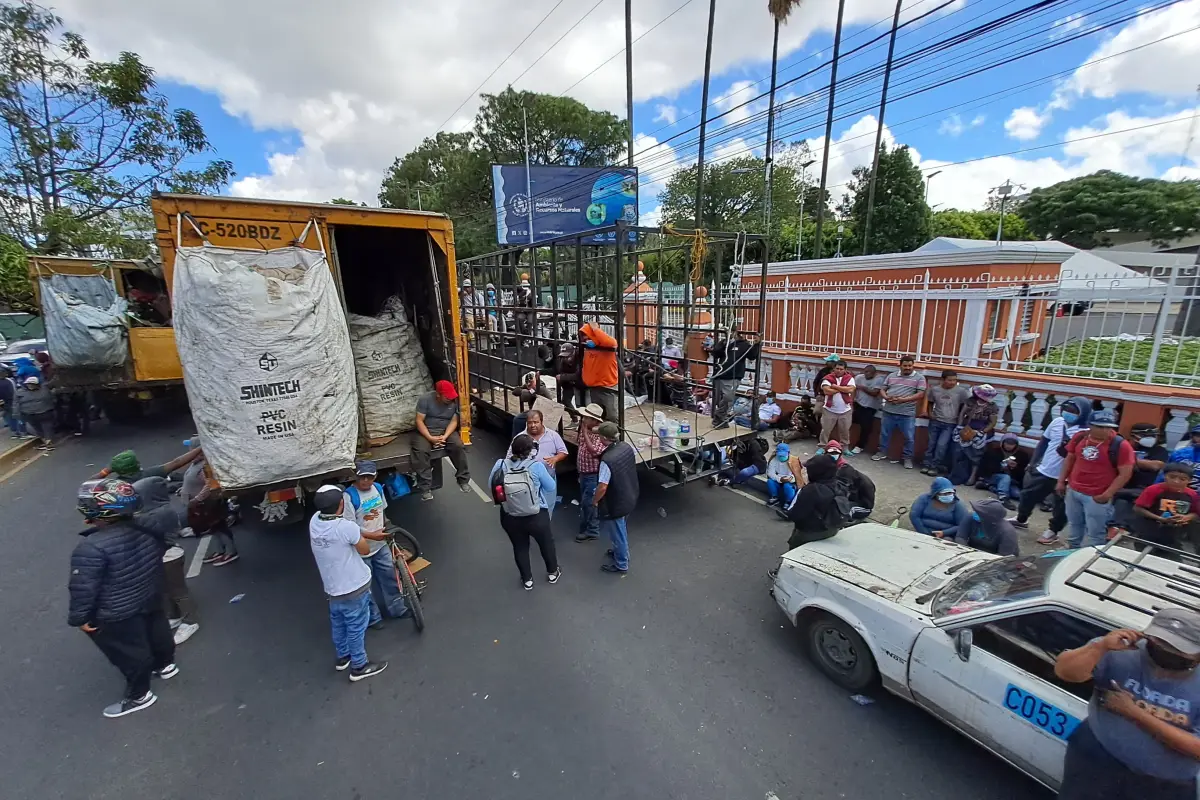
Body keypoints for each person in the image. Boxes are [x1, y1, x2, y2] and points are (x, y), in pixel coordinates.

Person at [1054, 608, 1200, 800]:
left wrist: (1133, 713)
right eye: (1159, 643)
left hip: (1163, 785)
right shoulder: (1120, 648)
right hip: (1096, 759)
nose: (1166, 652)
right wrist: (1100, 648)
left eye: (1177, 649)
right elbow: (1064, 671)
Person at [68, 478, 177, 718]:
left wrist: (80, 619)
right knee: (158, 631)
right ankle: (166, 665)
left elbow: (83, 589)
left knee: (129, 652)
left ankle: (139, 695)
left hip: (117, 610)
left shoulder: (91, 548)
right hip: (150, 593)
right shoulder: (149, 524)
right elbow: (165, 544)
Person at [308, 485, 388, 682]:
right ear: (341, 504)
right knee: (356, 626)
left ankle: (342, 657)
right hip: (354, 586)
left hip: (333, 588)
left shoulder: (314, 522)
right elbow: (363, 549)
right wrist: (363, 537)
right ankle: (359, 666)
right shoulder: (345, 527)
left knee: (339, 623)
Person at [1011, 395, 1091, 544]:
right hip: (1045, 469)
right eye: (1066, 409)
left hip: (1067, 476)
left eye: (1073, 411)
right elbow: (1044, 442)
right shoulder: (1057, 422)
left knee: (1061, 507)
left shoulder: (1087, 433)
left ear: (1083, 413)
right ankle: (1021, 518)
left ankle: (1053, 531)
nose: (1068, 412)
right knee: (1027, 495)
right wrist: (1033, 462)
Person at [133, 476, 200, 646]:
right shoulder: (156, 510)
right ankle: (175, 615)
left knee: (178, 591)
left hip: (169, 556)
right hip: (160, 556)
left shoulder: (159, 514)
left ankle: (190, 622)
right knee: (165, 590)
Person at [342, 461, 409, 627]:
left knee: (390, 578)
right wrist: (372, 535)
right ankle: (373, 618)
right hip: (362, 550)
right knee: (365, 587)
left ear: (375, 477)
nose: (365, 481)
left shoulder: (378, 488)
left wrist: (386, 529)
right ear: (355, 477)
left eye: (369, 477)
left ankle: (398, 609)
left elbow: (382, 512)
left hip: (380, 545)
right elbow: (350, 527)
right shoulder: (349, 496)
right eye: (362, 477)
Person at [490, 433, 560, 590]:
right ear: (531, 451)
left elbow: (492, 485)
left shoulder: (501, 464)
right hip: (536, 515)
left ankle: (527, 580)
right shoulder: (535, 466)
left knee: (520, 546)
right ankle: (552, 573)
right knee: (546, 544)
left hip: (510, 516)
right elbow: (551, 487)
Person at [1058, 409, 1135, 549]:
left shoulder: (1121, 445)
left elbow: (1125, 473)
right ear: (1090, 425)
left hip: (1097, 495)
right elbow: (1070, 459)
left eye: (1108, 427)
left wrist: (1107, 494)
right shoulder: (1080, 437)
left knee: (1095, 532)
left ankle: (1092, 557)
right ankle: (1072, 550)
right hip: (1073, 490)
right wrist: (1061, 481)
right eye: (1100, 427)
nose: (1105, 430)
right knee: (1074, 524)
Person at [412, 379, 471, 501]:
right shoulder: (425, 400)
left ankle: (463, 479)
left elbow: (454, 421)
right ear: (438, 394)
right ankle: (425, 488)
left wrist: (445, 436)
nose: (450, 399)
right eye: (447, 397)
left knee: (458, 446)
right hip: (427, 431)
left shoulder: (454, 402)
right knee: (420, 451)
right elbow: (419, 421)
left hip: (446, 430)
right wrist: (430, 438)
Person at [593, 421, 638, 573]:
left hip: (616, 502)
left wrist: (595, 500)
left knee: (618, 533)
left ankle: (621, 563)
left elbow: (603, 487)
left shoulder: (607, 460)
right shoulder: (625, 446)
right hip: (629, 495)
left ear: (604, 438)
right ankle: (621, 552)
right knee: (621, 528)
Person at [1132, 463, 1200, 559]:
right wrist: (1159, 518)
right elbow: (1138, 508)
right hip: (1148, 533)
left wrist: (1186, 517)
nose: (1176, 481)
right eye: (1172, 477)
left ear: (1189, 481)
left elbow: (1196, 514)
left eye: (1182, 479)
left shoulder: (1192, 495)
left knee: (1173, 563)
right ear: (1165, 476)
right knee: (1143, 559)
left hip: (1173, 536)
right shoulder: (1153, 490)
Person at [1113, 423, 1173, 532]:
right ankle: (1118, 528)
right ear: (1134, 436)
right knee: (1121, 499)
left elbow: (1156, 465)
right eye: (1146, 435)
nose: (1151, 438)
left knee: (1133, 498)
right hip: (1121, 484)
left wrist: (1128, 460)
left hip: (1145, 488)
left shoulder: (1159, 450)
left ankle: (1124, 528)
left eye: (1154, 435)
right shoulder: (1123, 446)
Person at [871, 355, 926, 469]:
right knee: (884, 434)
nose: (907, 368)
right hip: (889, 411)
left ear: (912, 366)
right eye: (905, 366)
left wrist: (903, 400)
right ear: (900, 365)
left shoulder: (919, 378)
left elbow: (920, 394)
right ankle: (882, 452)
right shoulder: (891, 376)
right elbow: (882, 389)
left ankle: (907, 458)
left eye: (910, 366)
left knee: (909, 437)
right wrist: (886, 397)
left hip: (907, 413)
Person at [784, 456, 847, 548]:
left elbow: (796, 514)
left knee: (795, 548)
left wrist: (789, 514)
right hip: (832, 529)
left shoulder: (812, 490)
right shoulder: (839, 485)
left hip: (810, 532)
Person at [922, 370, 969, 475]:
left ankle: (935, 466)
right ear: (943, 380)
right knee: (931, 444)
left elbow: (964, 407)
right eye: (950, 380)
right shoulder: (935, 390)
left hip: (950, 423)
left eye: (954, 380)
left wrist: (960, 419)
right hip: (936, 420)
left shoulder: (961, 392)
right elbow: (930, 402)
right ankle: (926, 464)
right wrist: (930, 413)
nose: (952, 382)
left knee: (941, 445)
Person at [951, 384, 1000, 486]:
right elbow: (962, 414)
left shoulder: (992, 407)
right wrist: (959, 426)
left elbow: (992, 422)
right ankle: (958, 475)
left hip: (980, 432)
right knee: (960, 453)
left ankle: (972, 477)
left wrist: (983, 432)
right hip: (967, 428)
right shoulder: (971, 401)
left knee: (975, 456)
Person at [711, 330, 760, 428]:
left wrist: (757, 344)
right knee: (718, 399)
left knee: (728, 397)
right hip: (720, 374)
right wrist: (725, 343)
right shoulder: (725, 343)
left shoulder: (744, 345)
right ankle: (720, 420)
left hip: (733, 376)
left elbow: (752, 356)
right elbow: (715, 353)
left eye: (733, 333)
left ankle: (719, 416)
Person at [574, 403, 608, 543]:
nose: (583, 419)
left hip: (593, 474)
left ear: (595, 420)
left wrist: (585, 433)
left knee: (590, 503)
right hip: (584, 472)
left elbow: (594, 450)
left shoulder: (600, 434)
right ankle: (588, 527)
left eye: (587, 417)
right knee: (586, 501)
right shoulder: (585, 428)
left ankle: (592, 530)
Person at [579, 321, 620, 424]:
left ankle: (613, 435)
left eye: (587, 335)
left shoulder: (606, 345)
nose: (584, 338)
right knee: (597, 415)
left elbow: (612, 343)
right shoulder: (589, 348)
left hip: (607, 386)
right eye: (583, 335)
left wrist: (596, 330)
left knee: (612, 415)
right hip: (594, 387)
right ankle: (600, 436)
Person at [91, 447, 203, 483]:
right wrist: (200, 447)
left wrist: (107, 470)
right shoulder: (149, 474)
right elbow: (176, 462)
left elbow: (90, 483)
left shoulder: (118, 484)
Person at [978, 434, 1029, 510]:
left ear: (1016, 445)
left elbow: (1022, 474)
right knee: (1005, 477)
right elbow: (986, 468)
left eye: (1012, 444)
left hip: (1011, 481)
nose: (1009, 446)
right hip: (993, 476)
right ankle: (1003, 498)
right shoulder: (993, 452)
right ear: (1002, 442)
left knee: (1017, 494)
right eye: (1007, 443)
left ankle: (989, 486)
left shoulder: (1022, 455)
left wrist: (1015, 467)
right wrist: (1001, 466)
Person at [954, 498, 1020, 556]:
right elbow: (960, 537)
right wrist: (969, 554)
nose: (974, 513)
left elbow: (1003, 557)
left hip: (995, 559)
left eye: (979, 513)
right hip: (971, 552)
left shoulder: (1007, 532)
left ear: (990, 518)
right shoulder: (971, 517)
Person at [825, 440, 876, 513]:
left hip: (862, 504)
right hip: (852, 496)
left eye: (836, 453)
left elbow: (840, 492)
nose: (834, 455)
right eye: (831, 453)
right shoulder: (832, 465)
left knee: (836, 509)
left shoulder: (843, 470)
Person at [849, 363, 884, 455]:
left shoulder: (879, 379)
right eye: (865, 372)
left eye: (869, 372)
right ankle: (843, 443)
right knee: (846, 421)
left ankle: (860, 446)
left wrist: (863, 388)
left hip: (870, 407)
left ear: (874, 373)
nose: (866, 374)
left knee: (866, 427)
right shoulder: (859, 377)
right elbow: (853, 390)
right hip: (858, 404)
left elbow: (875, 393)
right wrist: (851, 403)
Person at [819, 360, 856, 445]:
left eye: (841, 369)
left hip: (845, 410)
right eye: (837, 368)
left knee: (845, 431)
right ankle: (822, 446)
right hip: (829, 409)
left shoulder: (850, 378)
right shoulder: (828, 378)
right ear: (833, 369)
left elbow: (850, 389)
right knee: (826, 430)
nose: (839, 370)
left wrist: (835, 386)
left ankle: (844, 447)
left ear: (845, 370)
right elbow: (827, 391)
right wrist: (843, 389)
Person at [14, 374, 55, 450]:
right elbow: (52, 397)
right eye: (29, 384)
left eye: (32, 384)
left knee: (40, 429)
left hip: (36, 413)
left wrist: (16, 414)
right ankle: (48, 443)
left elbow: (16, 403)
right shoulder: (44, 389)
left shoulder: (20, 392)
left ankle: (48, 443)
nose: (30, 385)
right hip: (40, 412)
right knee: (46, 428)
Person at [1164, 424, 1200, 492]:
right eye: (1198, 435)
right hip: (1172, 493)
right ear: (1192, 436)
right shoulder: (1179, 453)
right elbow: (1164, 474)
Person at [765, 442, 802, 507]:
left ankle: (788, 502)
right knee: (770, 482)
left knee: (787, 486)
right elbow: (770, 473)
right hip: (779, 478)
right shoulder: (773, 460)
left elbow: (798, 475)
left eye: (783, 455)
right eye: (780, 455)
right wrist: (779, 479)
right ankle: (775, 497)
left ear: (788, 453)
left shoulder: (794, 460)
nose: (781, 457)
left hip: (790, 481)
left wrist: (790, 479)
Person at [555, 342, 583, 420]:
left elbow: (579, 375)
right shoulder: (563, 360)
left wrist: (563, 377)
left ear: (573, 352)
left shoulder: (579, 358)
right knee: (566, 401)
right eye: (564, 357)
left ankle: (582, 422)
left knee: (582, 405)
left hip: (580, 384)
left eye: (568, 356)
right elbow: (561, 371)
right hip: (569, 383)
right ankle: (574, 419)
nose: (566, 359)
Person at [0, 365, 23, 438]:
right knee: (16, 417)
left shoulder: (6, 381)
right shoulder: (9, 381)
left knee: (9, 418)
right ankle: (22, 432)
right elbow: (14, 390)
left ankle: (16, 432)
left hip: (5, 403)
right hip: (12, 401)